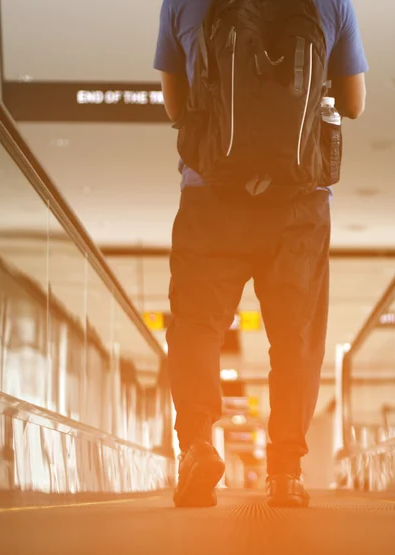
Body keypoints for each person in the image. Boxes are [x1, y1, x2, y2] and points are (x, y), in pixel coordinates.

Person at [154, 0, 367, 508]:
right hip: (298, 205)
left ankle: (198, 445)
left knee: (197, 328)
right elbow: (354, 103)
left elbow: (175, 106)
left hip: (209, 198)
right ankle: (286, 471)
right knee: (296, 341)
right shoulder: (332, 2)